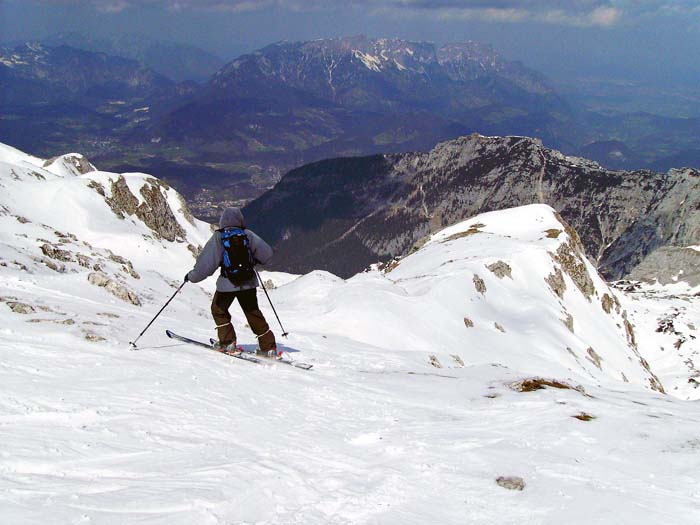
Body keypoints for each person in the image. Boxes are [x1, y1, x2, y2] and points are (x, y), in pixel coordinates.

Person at [185, 207, 276, 355]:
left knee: (218, 309)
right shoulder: (248, 235)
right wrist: (253, 258)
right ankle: (269, 347)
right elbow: (267, 254)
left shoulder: (219, 237)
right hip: (248, 282)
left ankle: (228, 343)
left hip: (228, 284)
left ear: (222, 221)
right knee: (252, 312)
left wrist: (192, 276)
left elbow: (206, 264)